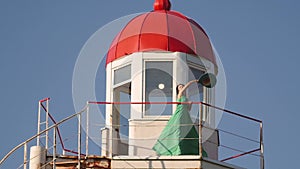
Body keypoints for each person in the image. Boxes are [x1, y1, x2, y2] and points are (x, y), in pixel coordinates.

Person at [152, 80, 207, 156]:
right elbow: (182, 102)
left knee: (187, 130)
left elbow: (188, 109)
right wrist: (193, 82)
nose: (181, 88)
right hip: (180, 112)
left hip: (185, 114)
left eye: (182, 86)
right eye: (180, 87)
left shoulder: (185, 98)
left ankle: (187, 148)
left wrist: (190, 104)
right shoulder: (180, 95)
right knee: (178, 130)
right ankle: (176, 149)